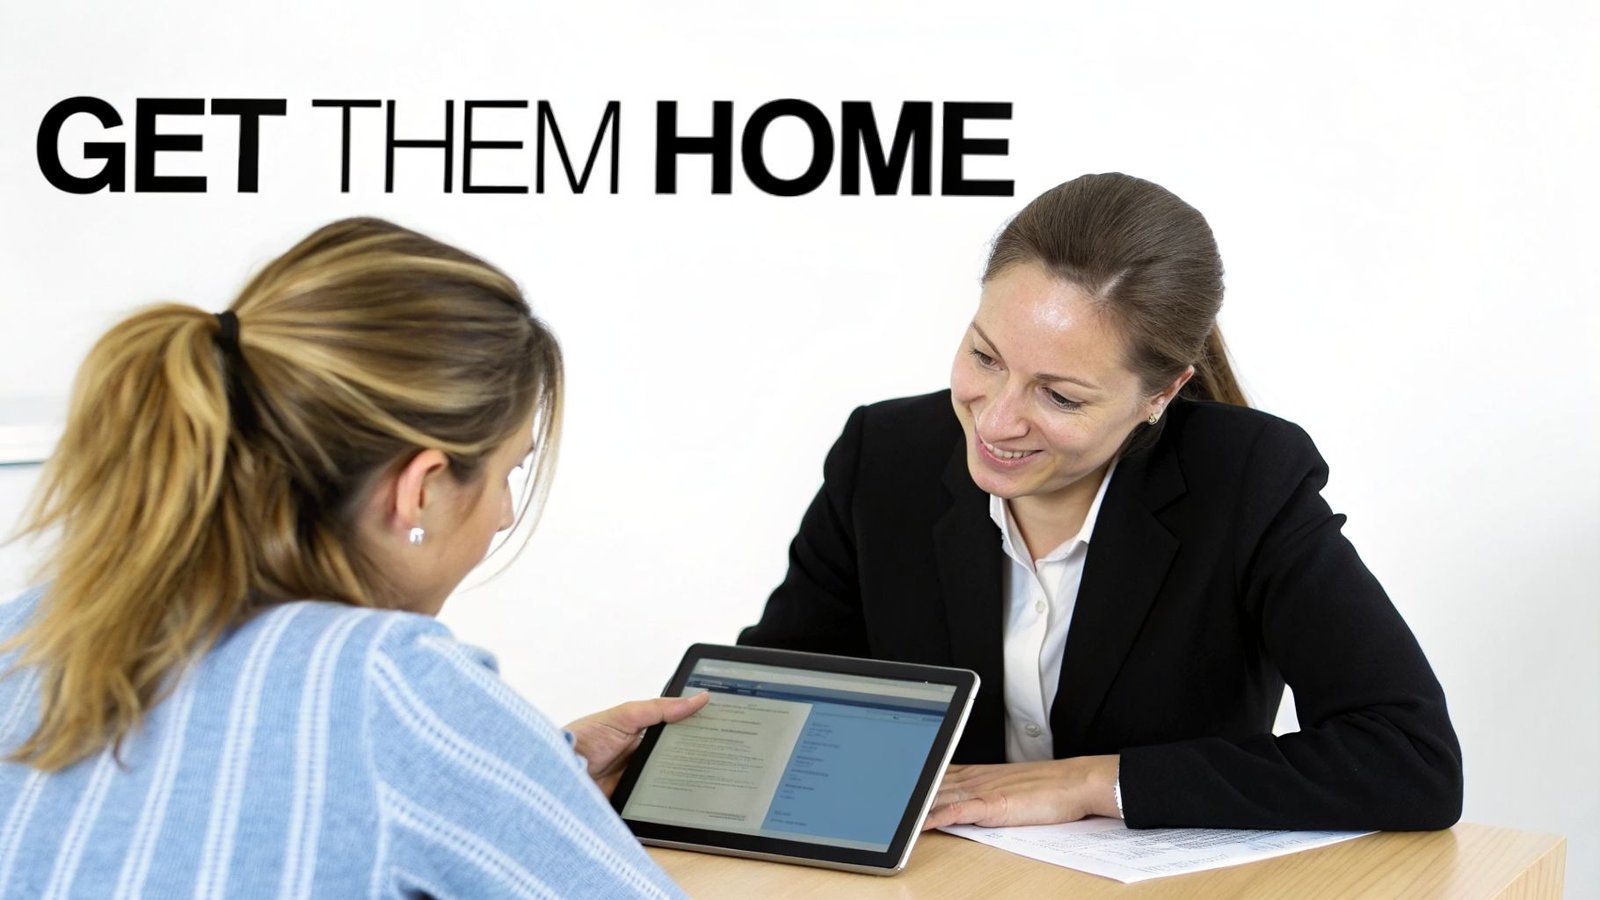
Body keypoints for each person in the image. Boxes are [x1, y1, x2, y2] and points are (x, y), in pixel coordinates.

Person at [0, 218, 704, 898]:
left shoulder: (28, 629)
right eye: (506, 474)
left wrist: (537, 774)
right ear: (419, 490)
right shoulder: (391, 682)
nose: (504, 515)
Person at [739, 173, 1464, 832]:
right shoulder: (885, 455)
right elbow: (771, 705)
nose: (994, 421)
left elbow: (1410, 758)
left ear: (1162, 393)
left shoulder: (1246, 480)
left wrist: (1092, 782)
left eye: (1058, 395)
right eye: (985, 357)